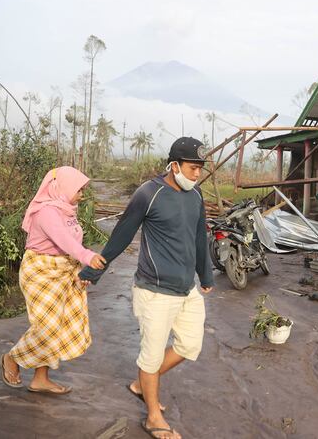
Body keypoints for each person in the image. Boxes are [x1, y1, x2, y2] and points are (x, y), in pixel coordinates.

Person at [79, 137, 214, 439]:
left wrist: (205, 276)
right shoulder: (149, 193)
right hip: (154, 291)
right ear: (175, 165)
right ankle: (153, 417)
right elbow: (122, 234)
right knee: (151, 356)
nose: (196, 175)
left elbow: (199, 237)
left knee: (189, 345)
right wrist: (95, 269)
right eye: (193, 168)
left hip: (186, 289)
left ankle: (142, 383)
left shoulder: (196, 195)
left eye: (200, 170)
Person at [0, 166, 106, 394]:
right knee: (46, 326)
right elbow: (65, 241)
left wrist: (80, 271)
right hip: (40, 271)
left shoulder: (67, 210)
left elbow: (70, 246)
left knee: (57, 325)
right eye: (79, 190)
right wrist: (88, 257)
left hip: (63, 269)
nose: (82, 195)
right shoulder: (47, 212)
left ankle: (40, 379)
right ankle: (12, 358)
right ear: (63, 188)